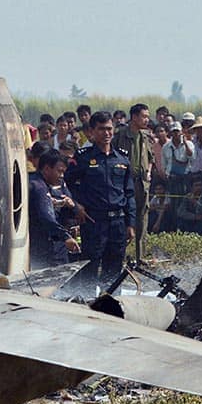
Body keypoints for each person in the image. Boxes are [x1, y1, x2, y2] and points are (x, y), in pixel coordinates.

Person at [65, 111, 134, 288]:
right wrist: (76, 206)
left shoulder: (122, 158)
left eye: (109, 129)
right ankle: (86, 305)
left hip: (118, 222)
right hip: (93, 221)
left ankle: (109, 306)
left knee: (113, 270)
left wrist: (130, 224)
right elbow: (67, 184)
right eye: (102, 129)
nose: (107, 133)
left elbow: (129, 193)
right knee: (90, 267)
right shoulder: (83, 157)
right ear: (92, 132)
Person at [113, 103, 153, 263]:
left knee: (142, 219)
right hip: (124, 183)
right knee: (124, 219)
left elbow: (151, 158)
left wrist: (149, 171)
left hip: (142, 183)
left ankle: (140, 256)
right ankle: (121, 256)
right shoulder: (120, 135)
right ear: (134, 117)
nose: (146, 119)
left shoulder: (145, 136)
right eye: (144, 116)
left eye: (147, 116)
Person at [29, 149, 80, 268]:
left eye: (64, 172)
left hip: (58, 243)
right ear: (46, 169)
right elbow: (46, 216)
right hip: (43, 243)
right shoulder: (37, 186)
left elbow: (71, 206)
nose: (62, 176)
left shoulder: (59, 184)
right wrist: (65, 237)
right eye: (59, 171)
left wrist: (72, 206)